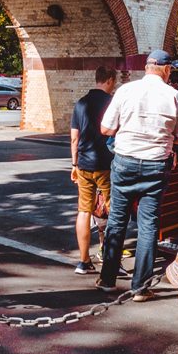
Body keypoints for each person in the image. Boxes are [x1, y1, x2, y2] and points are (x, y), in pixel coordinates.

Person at [98, 49, 178, 298]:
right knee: (148, 225)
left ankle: (107, 279)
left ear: (148, 67)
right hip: (155, 165)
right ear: (165, 69)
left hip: (125, 162)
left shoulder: (126, 91)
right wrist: (167, 137)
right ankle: (140, 287)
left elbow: (106, 129)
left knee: (117, 220)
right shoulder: (174, 96)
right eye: (171, 69)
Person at [68, 65, 117, 275]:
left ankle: (83, 261)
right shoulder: (112, 102)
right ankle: (111, 260)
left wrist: (74, 164)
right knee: (114, 210)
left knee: (84, 211)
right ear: (109, 80)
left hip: (84, 165)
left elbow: (74, 138)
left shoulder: (81, 103)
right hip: (106, 163)